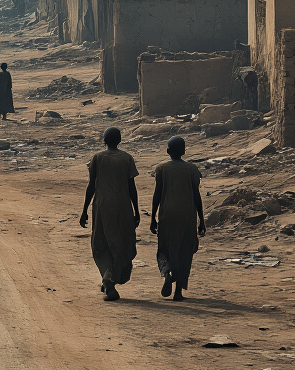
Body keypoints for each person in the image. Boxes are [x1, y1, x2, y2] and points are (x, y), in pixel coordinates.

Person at [79, 127, 140, 301]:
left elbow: (91, 186)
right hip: (122, 205)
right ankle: (111, 277)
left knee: (101, 242)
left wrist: (84, 210)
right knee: (121, 241)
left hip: (102, 205)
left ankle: (108, 276)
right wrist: (136, 209)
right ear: (120, 140)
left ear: (104, 141)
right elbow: (132, 188)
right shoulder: (127, 158)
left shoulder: (97, 158)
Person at [150, 136, 205, 301]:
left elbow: (157, 195)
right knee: (185, 251)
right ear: (184, 151)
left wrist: (152, 217)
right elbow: (197, 196)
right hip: (187, 216)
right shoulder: (192, 170)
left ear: (167, 151)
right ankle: (178, 291)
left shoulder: (161, 169)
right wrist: (202, 220)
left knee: (164, 248)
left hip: (167, 215)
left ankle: (167, 272)